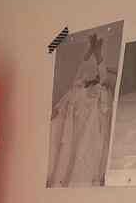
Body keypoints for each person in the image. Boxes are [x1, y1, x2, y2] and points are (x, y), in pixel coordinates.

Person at [48, 33, 115, 187]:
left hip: (88, 132)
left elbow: (104, 78)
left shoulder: (102, 92)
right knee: (67, 157)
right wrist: (90, 52)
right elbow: (78, 76)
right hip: (73, 130)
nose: (94, 77)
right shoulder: (78, 88)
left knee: (82, 160)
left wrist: (97, 54)